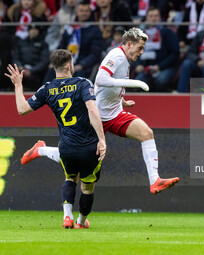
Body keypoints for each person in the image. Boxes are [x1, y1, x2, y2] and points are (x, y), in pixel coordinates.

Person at [22, 27, 180, 195]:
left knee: (146, 133)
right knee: (74, 158)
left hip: (115, 114)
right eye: (140, 47)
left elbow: (109, 85)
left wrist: (120, 99)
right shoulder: (116, 56)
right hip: (96, 117)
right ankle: (41, 150)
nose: (141, 52)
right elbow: (101, 79)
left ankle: (155, 181)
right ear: (129, 44)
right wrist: (137, 83)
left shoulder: (124, 59)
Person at [7, 49, 106, 229]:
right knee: (87, 186)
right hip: (88, 146)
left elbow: (22, 109)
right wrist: (102, 139)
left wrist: (18, 85)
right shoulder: (83, 83)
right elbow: (92, 110)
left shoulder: (47, 88)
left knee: (70, 179)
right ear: (69, 65)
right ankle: (81, 222)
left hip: (66, 147)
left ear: (54, 67)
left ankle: (67, 217)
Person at [134, 6, 180, 92]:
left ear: (160, 18)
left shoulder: (168, 32)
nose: (153, 18)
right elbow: (135, 52)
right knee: (139, 83)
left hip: (165, 68)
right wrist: (138, 65)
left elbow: (175, 54)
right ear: (146, 18)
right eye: (151, 16)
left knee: (161, 81)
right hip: (146, 69)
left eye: (156, 16)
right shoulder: (141, 34)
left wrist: (159, 66)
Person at [13, 24, 50, 91]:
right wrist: (19, 66)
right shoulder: (21, 42)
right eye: (31, 29)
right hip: (21, 69)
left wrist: (32, 70)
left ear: (38, 31)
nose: (33, 31)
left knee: (34, 79)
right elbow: (16, 57)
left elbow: (44, 61)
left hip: (36, 71)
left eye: (35, 30)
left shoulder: (43, 44)